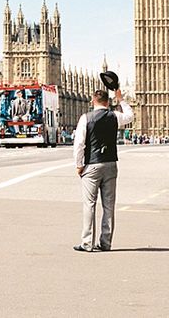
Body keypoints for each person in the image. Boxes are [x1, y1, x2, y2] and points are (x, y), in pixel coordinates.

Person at [73, 75, 133, 253]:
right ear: (108, 102)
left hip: (92, 165)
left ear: (93, 101)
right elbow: (130, 115)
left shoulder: (86, 118)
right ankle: (105, 242)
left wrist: (79, 165)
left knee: (89, 205)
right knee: (109, 206)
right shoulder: (114, 116)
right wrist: (120, 98)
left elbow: (79, 144)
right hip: (110, 165)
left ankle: (87, 243)